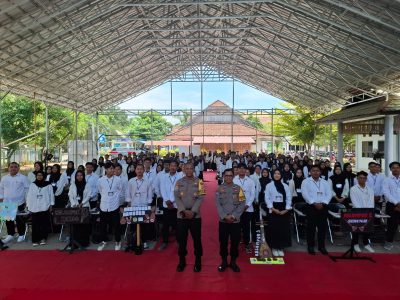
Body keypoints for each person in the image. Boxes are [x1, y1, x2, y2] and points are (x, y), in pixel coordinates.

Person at [174, 163, 205, 272]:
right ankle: (182, 261)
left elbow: (201, 197)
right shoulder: (179, 182)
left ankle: (198, 260)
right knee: (181, 240)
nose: (189, 170)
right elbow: (176, 197)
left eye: (191, 168)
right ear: (183, 170)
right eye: (186, 168)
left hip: (195, 215)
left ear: (193, 169)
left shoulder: (200, 182)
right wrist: (183, 210)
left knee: (197, 239)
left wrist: (193, 211)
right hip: (181, 215)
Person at [215, 168, 245, 272]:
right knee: (223, 242)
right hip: (223, 221)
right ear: (223, 177)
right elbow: (217, 204)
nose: (228, 177)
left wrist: (234, 216)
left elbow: (242, 204)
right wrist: (224, 216)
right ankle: (223, 261)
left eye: (230, 175)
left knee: (235, 242)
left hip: (235, 221)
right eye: (226, 175)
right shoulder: (219, 188)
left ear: (233, 177)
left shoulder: (238, 188)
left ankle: (233, 262)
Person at [301, 165, 331, 255]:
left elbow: (329, 194)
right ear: (310, 172)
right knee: (311, 228)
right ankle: (311, 246)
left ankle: (321, 246)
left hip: (323, 206)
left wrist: (324, 203)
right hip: (311, 207)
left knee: (322, 228)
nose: (315, 172)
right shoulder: (306, 182)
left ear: (320, 172)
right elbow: (305, 194)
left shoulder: (325, 182)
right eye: (313, 170)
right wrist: (314, 203)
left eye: (317, 170)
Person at [125, 164, 154, 250]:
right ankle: (134, 241)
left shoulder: (147, 181)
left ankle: (144, 241)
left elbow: (150, 194)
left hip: (144, 206)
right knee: (134, 225)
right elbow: (128, 193)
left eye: (141, 169)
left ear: (144, 170)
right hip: (134, 206)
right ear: (135, 170)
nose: (139, 171)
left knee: (144, 225)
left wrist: (149, 204)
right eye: (138, 169)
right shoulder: (131, 181)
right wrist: (129, 203)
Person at [0, 162, 30, 244]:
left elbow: (27, 190)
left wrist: (27, 201)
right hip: (7, 202)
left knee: (19, 220)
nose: (13, 168)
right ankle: (10, 234)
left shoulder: (23, 178)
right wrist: (1, 198)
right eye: (11, 167)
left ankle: (21, 235)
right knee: (8, 220)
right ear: (9, 168)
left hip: (20, 202)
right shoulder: (4, 178)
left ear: (18, 168)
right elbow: (1, 189)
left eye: (15, 167)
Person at [264, 169, 292, 257]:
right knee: (273, 229)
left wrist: (286, 209)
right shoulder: (269, 185)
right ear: (272, 175)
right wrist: (273, 209)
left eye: (279, 173)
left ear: (281, 175)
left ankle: (280, 247)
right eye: (275, 173)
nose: (277, 175)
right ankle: (274, 247)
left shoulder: (285, 186)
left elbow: (288, 198)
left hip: (283, 209)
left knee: (283, 229)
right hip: (273, 209)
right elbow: (267, 198)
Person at [97, 162, 123, 251]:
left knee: (116, 225)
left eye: (113, 168)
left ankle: (118, 241)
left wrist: (114, 197)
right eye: (110, 168)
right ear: (106, 169)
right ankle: (103, 240)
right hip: (104, 205)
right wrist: (107, 196)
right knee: (102, 225)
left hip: (114, 205)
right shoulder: (101, 180)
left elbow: (120, 190)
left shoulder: (118, 180)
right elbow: (100, 191)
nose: (112, 170)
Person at [157, 160, 183, 250]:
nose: (172, 167)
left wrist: (173, 201)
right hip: (166, 204)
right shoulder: (163, 177)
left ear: (177, 167)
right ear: (168, 166)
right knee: (165, 225)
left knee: (178, 225)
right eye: (171, 165)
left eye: (174, 166)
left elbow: (180, 191)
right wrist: (167, 200)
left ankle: (179, 242)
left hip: (176, 205)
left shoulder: (180, 176)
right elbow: (162, 189)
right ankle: (165, 242)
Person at [26, 171, 54, 246]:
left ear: (44, 176)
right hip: (34, 207)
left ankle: (43, 238)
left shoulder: (48, 184)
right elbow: (29, 195)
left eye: (41, 175)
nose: (39, 176)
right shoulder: (32, 184)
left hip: (45, 206)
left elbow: (51, 195)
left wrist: (51, 205)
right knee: (35, 224)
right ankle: (35, 239)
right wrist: (28, 205)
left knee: (44, 224)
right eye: (38, 175)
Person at [350, 171, 375, 253]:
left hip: (368, 211)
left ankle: (366, 244)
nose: (362, 179)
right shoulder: (353, 189)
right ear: (357, 179)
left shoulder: (370, 189)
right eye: (360, 178)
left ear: (366, 179)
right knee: (356, 229)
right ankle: (355, 244)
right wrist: (361, 211)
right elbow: (354, 201)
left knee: (366, 229)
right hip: (357, 211)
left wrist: (369, 210)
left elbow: (371, 201)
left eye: (364, 178)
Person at [233, 164, 255, 254]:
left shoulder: (250, 181)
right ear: (237, 170)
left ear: (246, 170)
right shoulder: (234, 180)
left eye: (243, 169)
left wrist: (247, 205)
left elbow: (253, 194)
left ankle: (247, 244)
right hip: (236, 208)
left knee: (246, 228)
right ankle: (235, 245)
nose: (242, 170)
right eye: (240, 168)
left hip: (247, 208)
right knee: (236, 227)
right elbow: (231, 194)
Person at [69, 170, 91, 248]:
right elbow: (70, 195)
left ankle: (84, 243)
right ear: (75, 177)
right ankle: (74, 243)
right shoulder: (73, 185)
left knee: (84, 225)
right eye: (77, 175)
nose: (79, 177)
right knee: (75, 226)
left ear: (83, 176)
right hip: (75, 207)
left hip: (84, 207)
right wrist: (74, 204)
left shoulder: (87, 184)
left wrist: (82, 203)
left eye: (81, 175)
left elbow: (89, 195)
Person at [382, 161, 400, 251]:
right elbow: (386, 193)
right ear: (390, 169)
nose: (395, 169)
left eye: (397, 167)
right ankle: (388, 242)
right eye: (393, 168)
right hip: (392, 205)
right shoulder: (387, 180)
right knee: (392, 225)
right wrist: (396, 203)